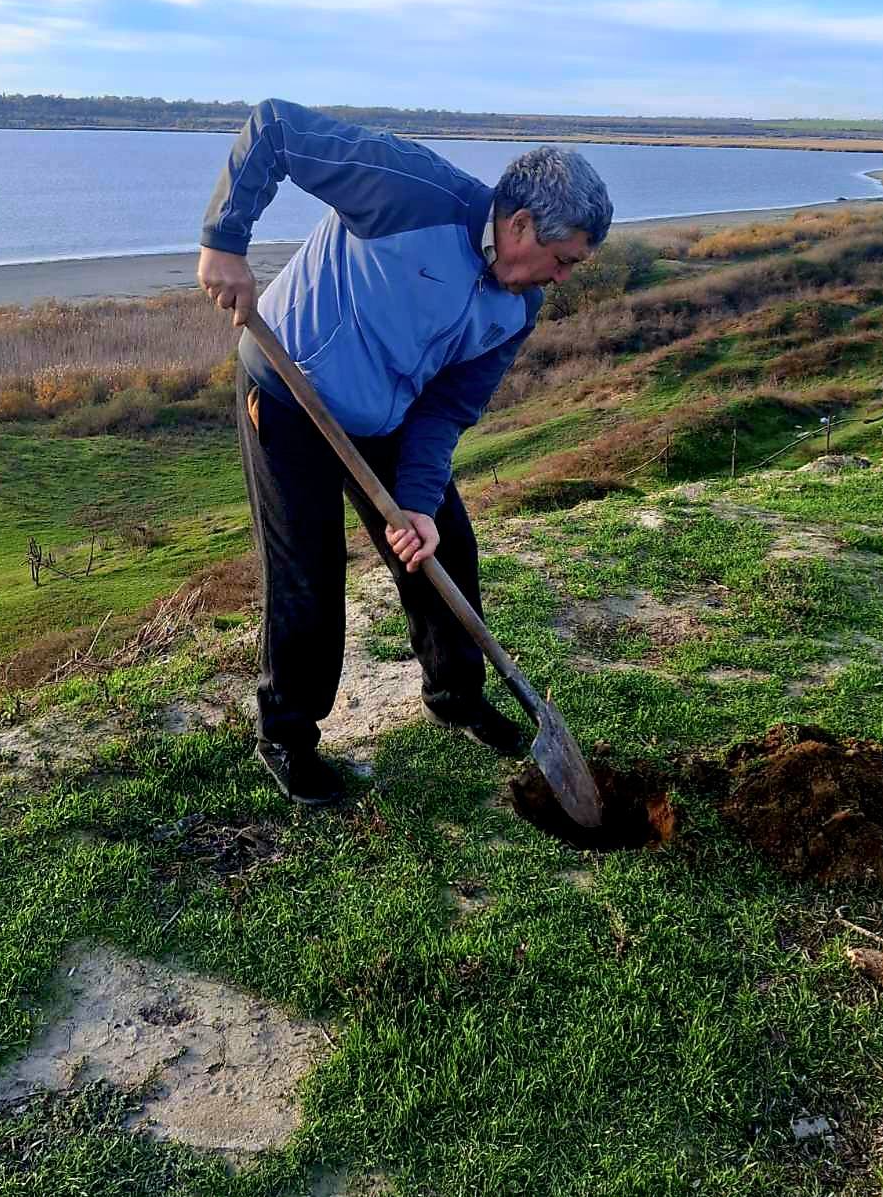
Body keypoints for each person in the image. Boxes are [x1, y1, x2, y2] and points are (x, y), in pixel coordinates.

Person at [198, 99, 613, 805]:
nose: (563, 277)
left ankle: (454, 696)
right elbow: (274, 127)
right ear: (519, 226)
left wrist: (417, 502)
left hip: (390, 413)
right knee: (308, 568)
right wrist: (224, 240)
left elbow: (448, 405)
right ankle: (287, 735)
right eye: (563, 258)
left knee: (440, 543)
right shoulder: (408, 191)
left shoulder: (518, 304)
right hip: (291, 387)